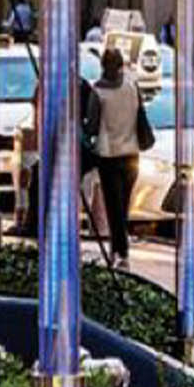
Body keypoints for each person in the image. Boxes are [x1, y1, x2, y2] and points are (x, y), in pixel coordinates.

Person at [82, 46, 149, 269]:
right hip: (131, 154)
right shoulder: (132, 86)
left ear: (103, 66)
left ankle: (120, 251)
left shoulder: (98, 92)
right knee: (123, 204)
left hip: (108, 155)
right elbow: (140, 115)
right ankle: (118, 249)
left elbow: (92, 127)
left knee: (114, 206)